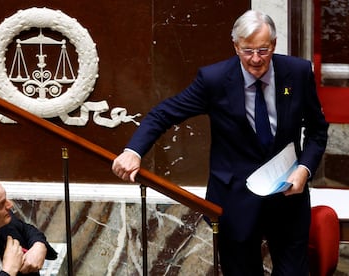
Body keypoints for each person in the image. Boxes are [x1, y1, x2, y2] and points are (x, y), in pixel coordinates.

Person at [112, 10, 329, 275]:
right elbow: (163, 113)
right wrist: (134, 151)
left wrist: (304, 170)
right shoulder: (213, 80)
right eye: (248, 51)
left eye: (263, 49)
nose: (256, 59)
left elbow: (318, 131)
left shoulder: (297, 72)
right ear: (236, 46)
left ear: (273, 44)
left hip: (288, 200)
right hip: (235, 201)